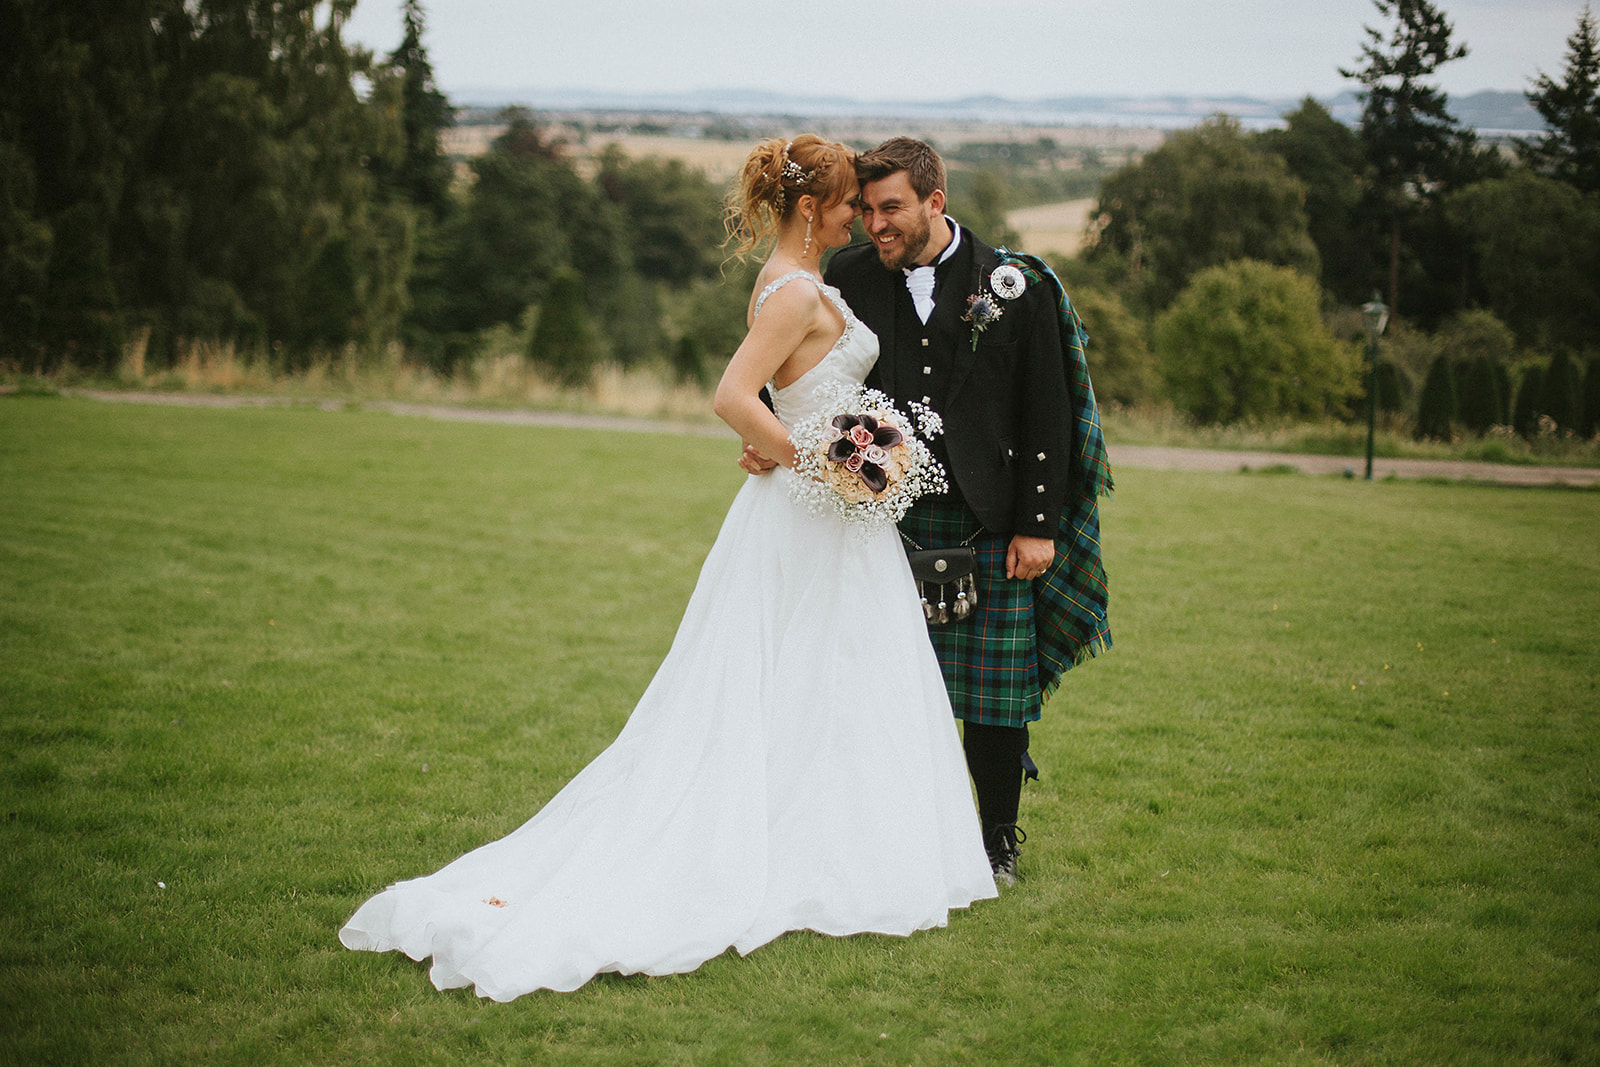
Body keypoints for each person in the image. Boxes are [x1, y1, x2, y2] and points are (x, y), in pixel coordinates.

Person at [338, 135, 996, 1000]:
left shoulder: (800, 284)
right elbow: (732, 395)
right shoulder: (794, 294)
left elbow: (781, 395)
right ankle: (794, 853)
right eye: (846, 204)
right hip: (814, 510)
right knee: (799, 676)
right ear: (811, 209)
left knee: (828, 679)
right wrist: (818, 458)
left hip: (833, 514)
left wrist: (826, 449)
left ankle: (830, 841)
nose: (858, 217)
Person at [743, 137, 1112, 886]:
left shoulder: (1013, 285)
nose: (875, 224)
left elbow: (1049, 410)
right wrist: (765, 435)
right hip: (879, 519)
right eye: (867, 208)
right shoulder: (844, 274)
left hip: (989, 518)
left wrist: (1038, 525)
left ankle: (998, 840)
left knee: (995, 704)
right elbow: (789, 364)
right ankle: (885, 834)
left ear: (934, 203)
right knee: (879, 687)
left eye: (891, 209)